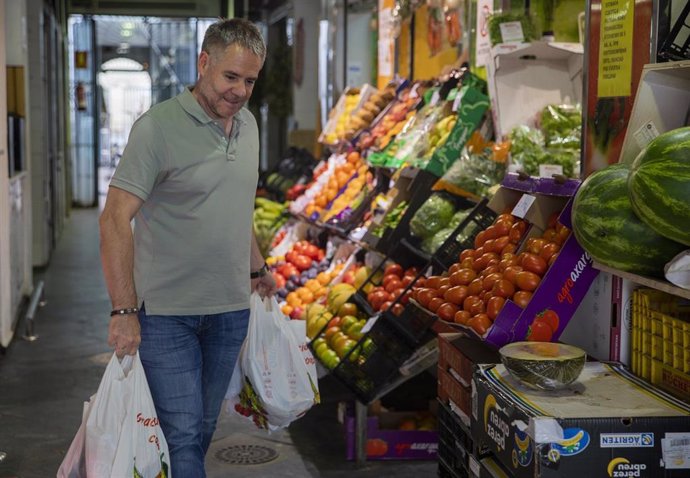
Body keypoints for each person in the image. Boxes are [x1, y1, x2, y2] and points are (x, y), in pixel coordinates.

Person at [98, 18, 276, 477]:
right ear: (204, 64)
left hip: (229, 311)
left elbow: (237, 210)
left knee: (198, 430)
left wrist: (258, 270)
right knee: (180, 435)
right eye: (230, 77)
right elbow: (115, 217)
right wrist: (122, 310)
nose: (239, 91)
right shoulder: (157, 128)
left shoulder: (250, 127)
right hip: (166, 314)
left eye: (250, 80)